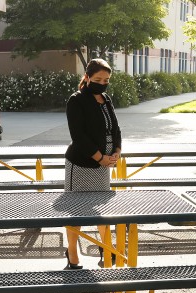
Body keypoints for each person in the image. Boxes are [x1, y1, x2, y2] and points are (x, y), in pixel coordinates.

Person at [62, 58, 122, 269]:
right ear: (87, 77)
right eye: (98, 79)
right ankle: (72, 254)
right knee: (75, 211)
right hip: (80, 165)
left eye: (106, 80)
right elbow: (78, 136)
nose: (103, 83)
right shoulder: (76, 100)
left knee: (102, 212)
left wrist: (116, 151)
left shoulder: (106, 99)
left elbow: (115, 129)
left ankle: (106, 250)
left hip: (103, 166)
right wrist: (100, 157)